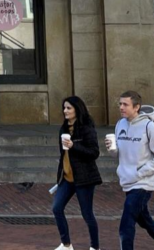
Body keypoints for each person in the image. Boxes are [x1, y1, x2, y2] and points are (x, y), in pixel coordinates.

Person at [109, 90, 154, 250]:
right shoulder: (120, 124)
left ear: (136, 107)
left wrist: (142, 172)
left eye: (125, 104)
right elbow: (119, 153)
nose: (121, 107)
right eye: (120, 104)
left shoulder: (149, 127)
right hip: (127, 180)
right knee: (144, 219)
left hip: (143, 183)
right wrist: (112, 150)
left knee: (126, 223)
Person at [51, 95, 102, 250]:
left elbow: (94, 152)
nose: (65, 111)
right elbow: (64, 155)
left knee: (87, 214)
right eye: (64, 108)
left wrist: (74, 146)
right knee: (57, 208)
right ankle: (66, 244)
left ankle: (95, 247)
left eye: (69, 108)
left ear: (77, 109)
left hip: (84, 178)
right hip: (67, 178)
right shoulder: (64, 128)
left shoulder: (86, 127)